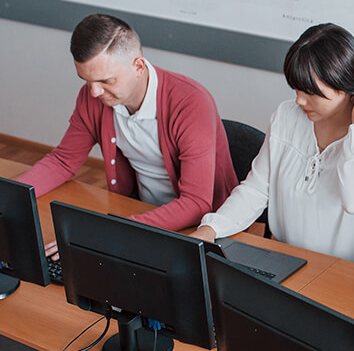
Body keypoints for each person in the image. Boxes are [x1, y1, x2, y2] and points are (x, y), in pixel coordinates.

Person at [18, 13, 237, 253]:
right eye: (86, 80)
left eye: (105, 81)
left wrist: (110, 230)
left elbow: (196, 203)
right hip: (141, 215)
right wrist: (11, 196)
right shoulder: (93, 97)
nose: (94, 92)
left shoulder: (191, 103)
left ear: (138, 67)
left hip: (202, 229)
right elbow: (62, 161)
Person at [190, 23, 354, 265]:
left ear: (347, 89)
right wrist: (211, 229)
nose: (299, 100)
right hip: (285, 259)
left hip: (352, 274)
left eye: (311, 93)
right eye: (297, 89)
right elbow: (256, 189)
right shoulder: (287, 115)